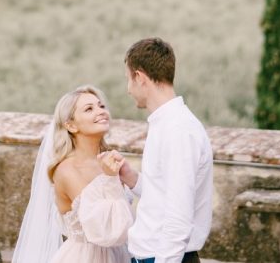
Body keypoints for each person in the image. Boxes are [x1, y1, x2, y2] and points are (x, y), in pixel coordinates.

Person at [117, 38, 213, 263]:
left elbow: (178, 218)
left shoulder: (178, 130)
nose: (127, 90)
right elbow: (164, 195)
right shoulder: (165, 124)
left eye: (128, 80)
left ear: (140, 78)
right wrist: (133, 179)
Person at [12, 85, 133, 263]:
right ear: (71, 125)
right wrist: (110, 179)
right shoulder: (67, 170)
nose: (100, 111)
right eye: (89, 109)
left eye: (101, 106)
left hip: (120, 255)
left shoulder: (108, 161)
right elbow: (105, 230)